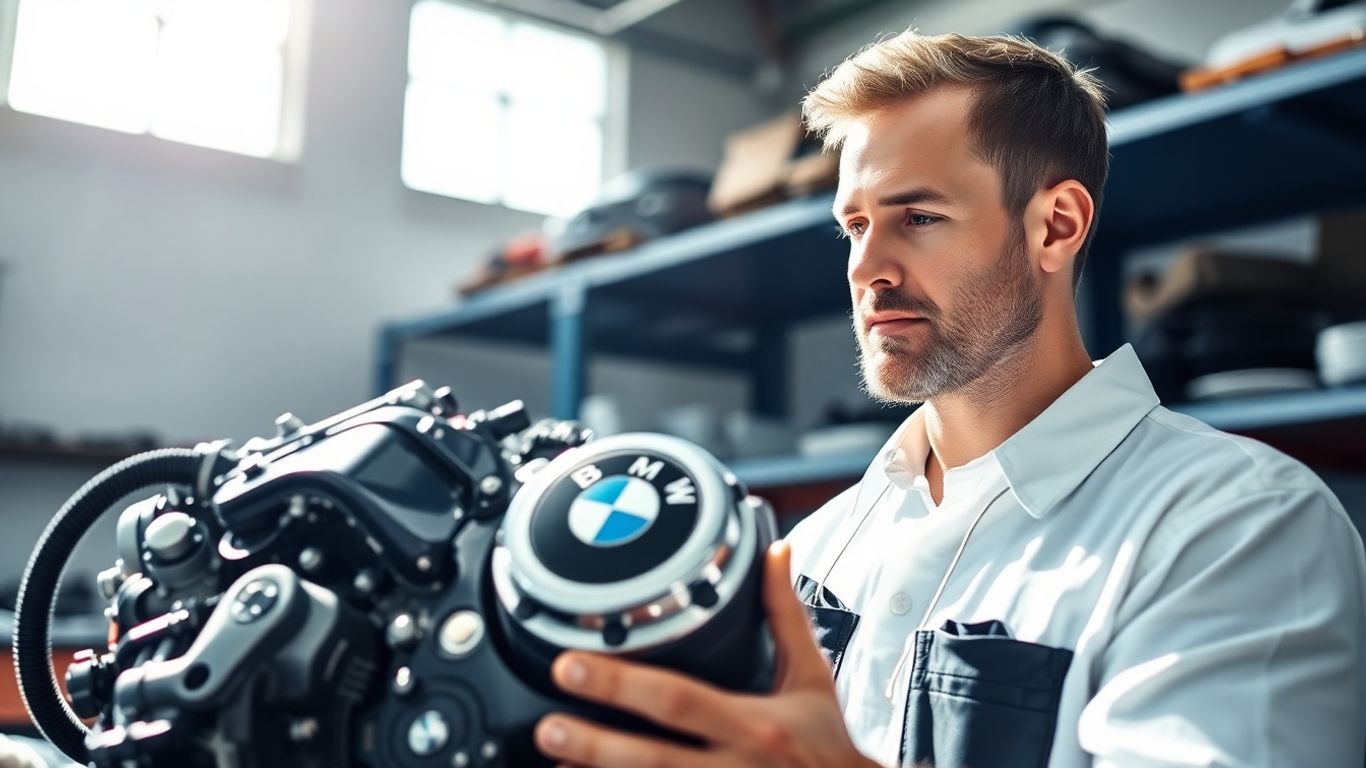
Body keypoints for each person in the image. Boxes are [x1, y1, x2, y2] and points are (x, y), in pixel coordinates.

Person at [531, 29, 1366, 767]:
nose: (866, 268)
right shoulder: (816, 548)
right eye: (854, 225)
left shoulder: (1239, 530)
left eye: (918, 217)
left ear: (1056, 226)